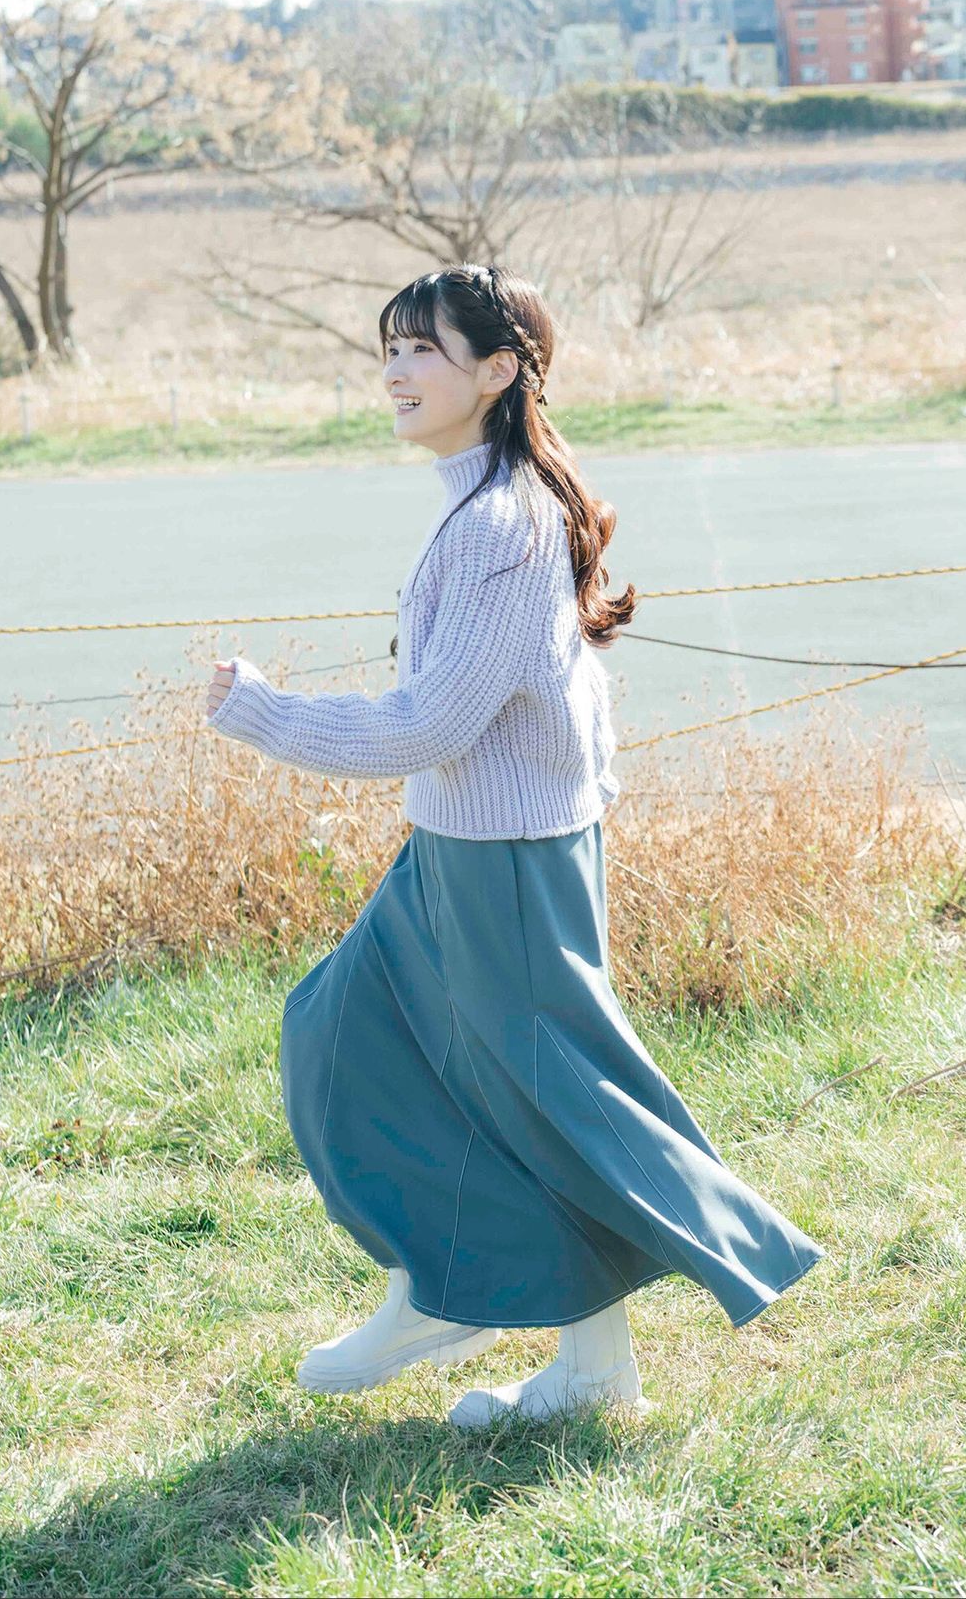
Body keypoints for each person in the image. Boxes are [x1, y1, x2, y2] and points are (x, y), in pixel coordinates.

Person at [203, 264, 821, 1421]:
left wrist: (264, 710)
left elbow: (431, 721)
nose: (395, 370)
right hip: (465, 844)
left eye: (423, 350)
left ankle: (471, 1290)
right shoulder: (485, 497)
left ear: (497, 372)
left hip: (508, 862)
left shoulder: (500, 522)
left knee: (556, 1101)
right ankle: (542, 1341)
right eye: (388, 347)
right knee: (349, 1033)